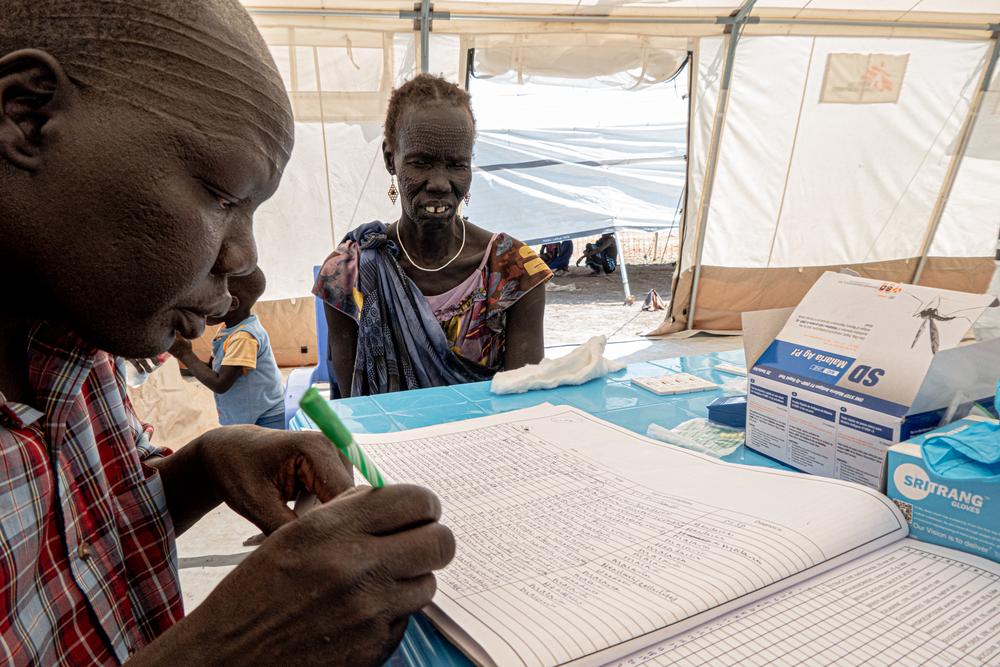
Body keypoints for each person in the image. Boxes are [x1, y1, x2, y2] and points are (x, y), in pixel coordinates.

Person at [0, 2, 453, 665]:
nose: (248, 266)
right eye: (221, 198)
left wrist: (204, 463)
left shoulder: (75, 346)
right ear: (26, 115)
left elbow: (76, 533)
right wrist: (228, 648)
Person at [314, 74, 552, 397]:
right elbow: (355, 410)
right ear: (390, 159)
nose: (440, 183)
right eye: (421, 163)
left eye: (456, 165)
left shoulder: (513, 272)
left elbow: (524, 406)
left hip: (493, 446)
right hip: (384, 447)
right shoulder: (348, 275)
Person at [169, 268, 284, 431]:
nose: (200, 306)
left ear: (232, 304)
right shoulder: (229, 329)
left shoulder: (244, 337)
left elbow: (220, 383)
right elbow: (213, 370)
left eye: (207, 300)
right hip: (249, 415)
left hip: (266, 420)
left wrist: (184, 353)